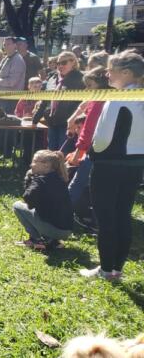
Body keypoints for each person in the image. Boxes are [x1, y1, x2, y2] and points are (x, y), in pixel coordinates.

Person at [81, 49, 144, 281]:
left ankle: (106, 269)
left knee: (106, 217)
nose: (107, 75)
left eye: (110, 71)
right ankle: (117, 268)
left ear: (126, 72)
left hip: (109, 163)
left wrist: (93, 152)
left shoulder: (119, 97)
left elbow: (104, 134)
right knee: (122, 215)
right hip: (135, 163)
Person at [65, 67, 110, 230]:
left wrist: (79, 151)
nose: (87, 90)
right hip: (110, 151)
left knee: (77, 183)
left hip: (94, 150)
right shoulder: (109, 98)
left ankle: (60, 215)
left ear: (101, 84)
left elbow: (88, 129)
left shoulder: (98, 102)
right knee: (101, 188)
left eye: (90, 86)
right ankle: (99, 221)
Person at [13, 150, 73, 250]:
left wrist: (29, 179)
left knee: (17, 205)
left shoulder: (40, 180)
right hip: (67, 230)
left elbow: (27, 197)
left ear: (46, 165)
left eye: (35, 161)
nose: (31, 164)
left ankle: (36, 240)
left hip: (54, 229)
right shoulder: (60, 178)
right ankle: (52, 241)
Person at [32, 51, 84, 151]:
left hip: (68, 123)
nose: (60, 66)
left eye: (64, 63)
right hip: (52, 122)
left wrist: (75, 122)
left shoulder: (80, 79)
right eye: (58, 63)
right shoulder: (52, 78)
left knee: (63, 153)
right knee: (51, 152)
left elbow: (82, 104)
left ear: (73, 62)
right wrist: (35, 119)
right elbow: (45, 101)